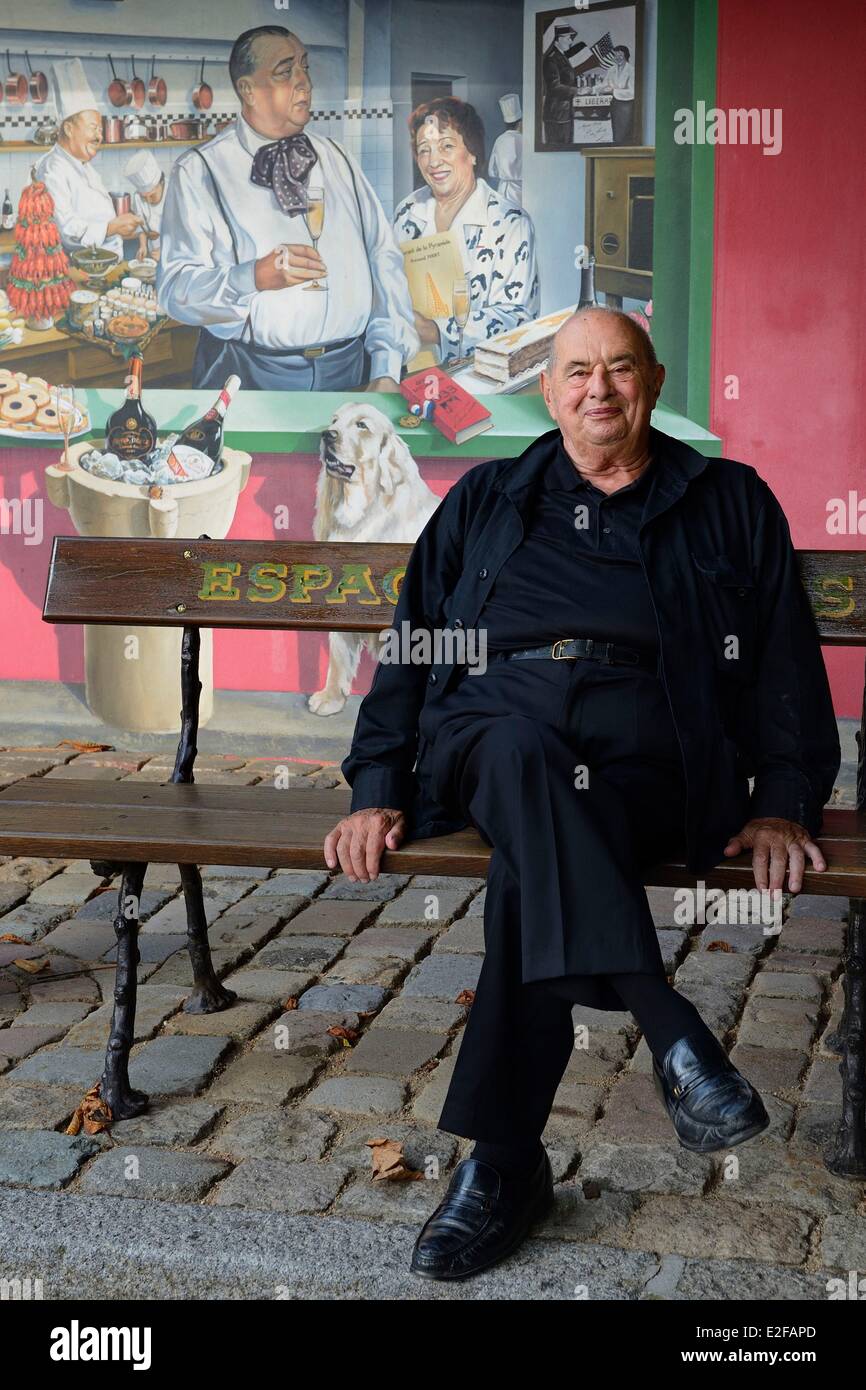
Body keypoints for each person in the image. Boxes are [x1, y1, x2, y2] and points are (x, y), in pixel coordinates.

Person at [324, 306, 842, 1281]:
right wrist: (377, 781)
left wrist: (781, 796)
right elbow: (416, 640)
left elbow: (780, 661)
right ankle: (671, 1029)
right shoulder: (487, 497)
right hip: (492, 728)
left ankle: (505, 1164)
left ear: (649, 378)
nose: (595, 389)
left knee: (538, 847)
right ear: (547, 388)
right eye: (575, 372)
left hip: (652, 753)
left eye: (616, 369)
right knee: (522, 752)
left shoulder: (726, 501)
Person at [157, 25, 418, 391]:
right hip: (251, 376)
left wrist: (387, 366)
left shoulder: (338, 157)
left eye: (305, 67)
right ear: (247, 90)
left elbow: (383, 258)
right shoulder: (200, 171)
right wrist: (252, 277)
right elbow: (174, 289)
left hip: (353, 370)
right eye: (285, 72)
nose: (305, 82)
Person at [393, 96, 539, 367]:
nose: (433, 161)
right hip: (411, 367)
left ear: (472, 152)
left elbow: (519, 318)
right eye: (424, 150)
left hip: (481, 373)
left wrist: (435, 330)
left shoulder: (509, 222)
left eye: (446, 146)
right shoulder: (407, 212)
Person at [36, 58, 141, 262]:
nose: (99, 136)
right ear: (68, 128)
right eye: (93, 128)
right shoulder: (53, 169)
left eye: (101, 129)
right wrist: (112, 227)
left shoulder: (82, 165)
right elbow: (66, 229)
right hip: (78, 270)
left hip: (103, 264)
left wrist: (119, 226)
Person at [542, 21, 581, 145]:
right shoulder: (551, 59)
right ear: (559, 39)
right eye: (569, 38)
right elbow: (554, 86)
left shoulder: (562, 57)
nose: (571, 41)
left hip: (565, 114)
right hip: (556, 116)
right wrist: (577, 91)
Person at [124, 151, 165, 262]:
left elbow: (183, 234)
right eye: (144, 197)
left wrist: (166, 252)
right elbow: (141, 225)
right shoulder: (137, 197)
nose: (147, 200)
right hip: (153, 252)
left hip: (175, 253)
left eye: (151, 195)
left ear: (160, 184)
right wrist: (143, 246)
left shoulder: (173, 194)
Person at [488, 92, 522, 204]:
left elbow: (492, 171)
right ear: (520, 123)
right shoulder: (526, 140)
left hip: (503, 190)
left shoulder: (500, 140)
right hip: (522, 191)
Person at [601, 44, 636, 144]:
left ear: (626, 56)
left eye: (620, 55)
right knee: (616, 134)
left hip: (627, 107)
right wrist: (592, 90)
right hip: (615, 105)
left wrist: (614, 91)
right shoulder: (611, 69)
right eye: (616, 55)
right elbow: (604, 85)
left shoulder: (632, 70)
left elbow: (632, 92)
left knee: (625, 135)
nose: (618, 58)